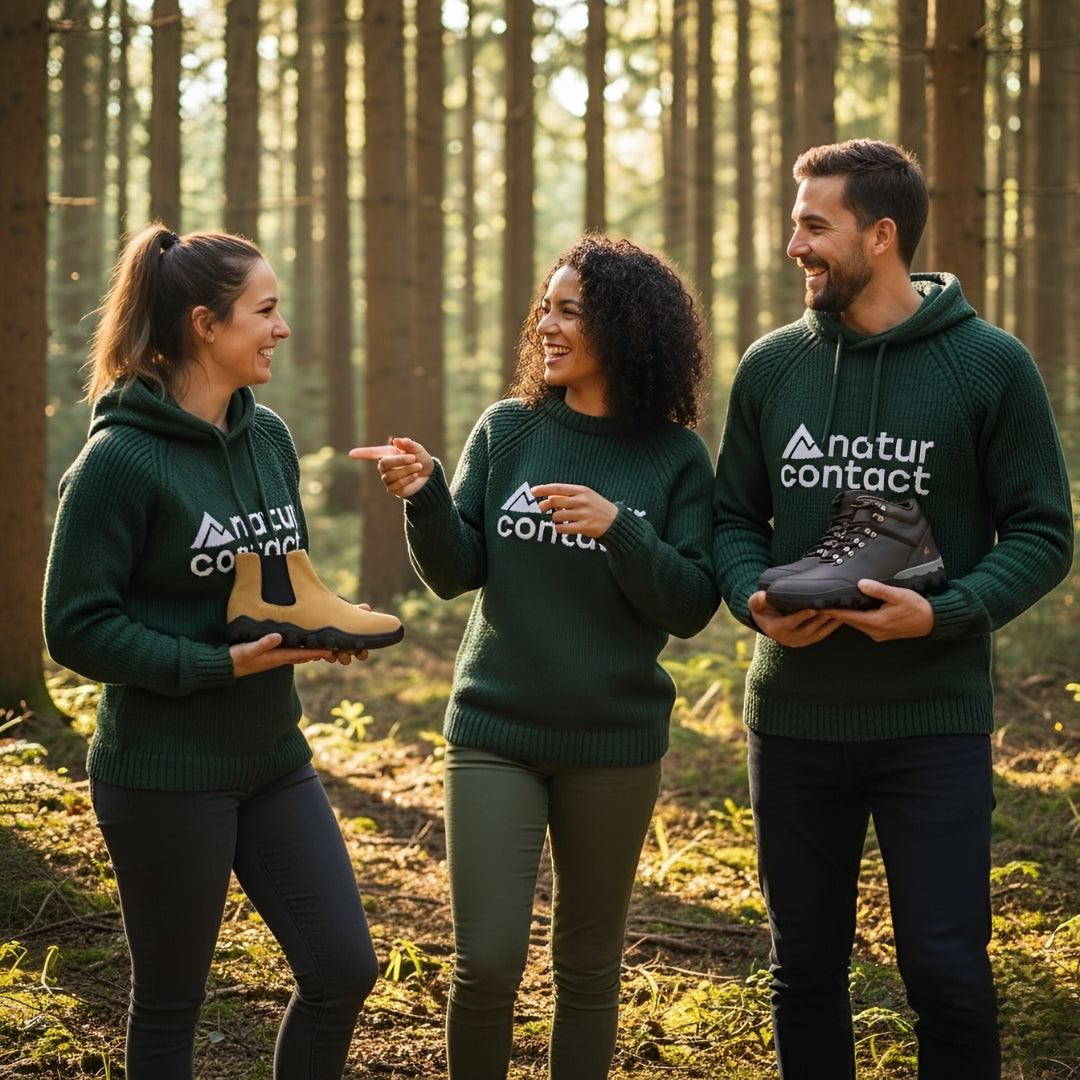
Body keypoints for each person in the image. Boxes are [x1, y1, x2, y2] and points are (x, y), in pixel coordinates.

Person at [712, 139, 1074, 1079]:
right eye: (795, 222)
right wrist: (753, 598)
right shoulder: (771, 367)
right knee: (806, 973)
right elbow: (727, 519)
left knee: (947, 972)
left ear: (881, 236)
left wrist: (945, 611)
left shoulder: (989, 366)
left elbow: (1043, 533)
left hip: (932, 722)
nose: (794, 243)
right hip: (793, 719)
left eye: (813, 224)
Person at [351, 234, 718, 1079]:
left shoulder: (673, 458)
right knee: (485, 961)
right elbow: (456, 574)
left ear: (626, 328)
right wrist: (427, 497)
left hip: (614, 742)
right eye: (544, 307)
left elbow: (692, 605)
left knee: (587, 970)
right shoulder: (509, 430)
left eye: (569, 310)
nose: (545, 325)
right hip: (495, 730)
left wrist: (622, 530)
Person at [43, 224, 380, 1080]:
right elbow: (74, 625)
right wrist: (210, 665)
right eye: (265, 311)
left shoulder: (266, 440)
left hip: (273, 756)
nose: (282, 328)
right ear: (204, 324)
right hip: (163, 770)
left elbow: (275, 584)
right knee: (170, 1006)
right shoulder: (117, 462)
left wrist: (315, 628)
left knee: (344, 968)